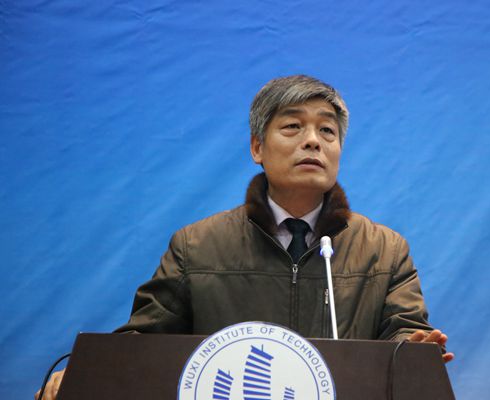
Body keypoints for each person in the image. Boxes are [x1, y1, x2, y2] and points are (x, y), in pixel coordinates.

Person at [36, 74, 453, 400]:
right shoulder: (196, 246)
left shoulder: (385, 250)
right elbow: (142, 347)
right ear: (257, 147)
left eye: (327, 131)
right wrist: (85, 373)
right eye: (293, 126)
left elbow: (404, 333)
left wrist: (415, 349)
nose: (313, 140)